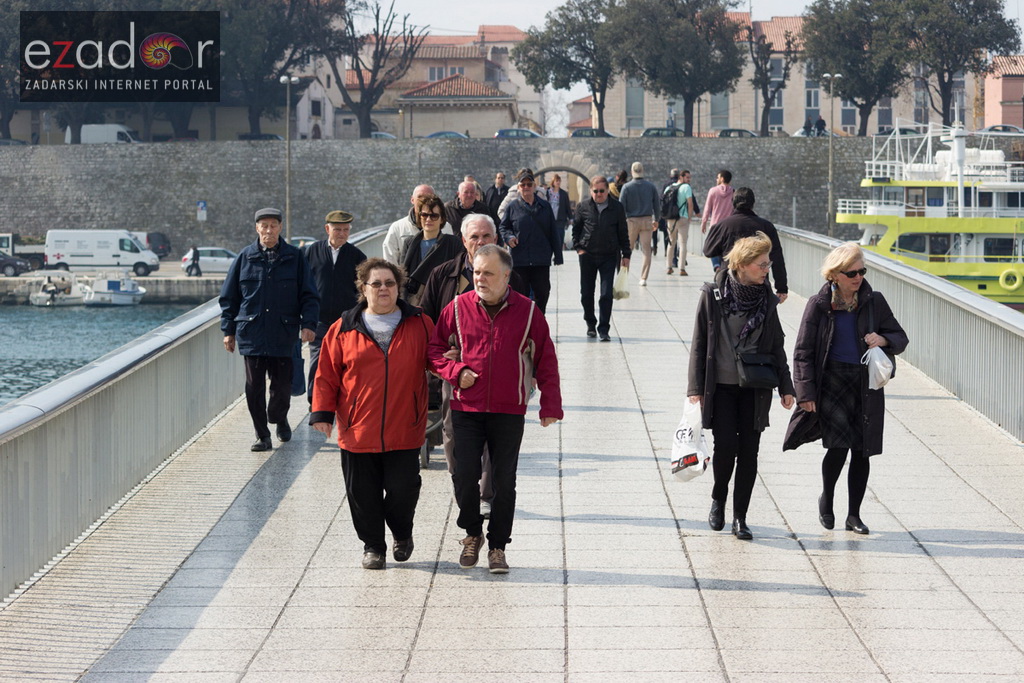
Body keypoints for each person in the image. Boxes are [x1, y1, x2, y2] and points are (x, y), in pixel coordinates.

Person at [428, 244, 563, 573]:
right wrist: (456, 372)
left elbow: (546, 358)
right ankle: (473, 533)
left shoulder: (528, 311)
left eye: (488, 273)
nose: (480, 278)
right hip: (466, 407)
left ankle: (499, 546)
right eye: (476, 272)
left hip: (509, 409)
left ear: (506, 276)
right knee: (464, 475)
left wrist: (550, 405)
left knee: (504, 480)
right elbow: (432, 351)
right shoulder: (457, 308)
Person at [310, 258, 435, 569]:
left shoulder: (420, 323)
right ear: (363, 289)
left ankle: (402, 534)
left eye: (390, 283)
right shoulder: (343, 328)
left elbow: (438, 359)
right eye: (376, 283)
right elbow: (326, 374)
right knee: (361, 493)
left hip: (405, 424)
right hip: (357, 428)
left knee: (402, 489)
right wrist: (322, 413)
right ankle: (373, 546)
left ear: (399, 288)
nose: (383, 289)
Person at [787, 243, 908, 535]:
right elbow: (802, 351)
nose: (858, 277)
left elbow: (900, 337)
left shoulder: (874, 301)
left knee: (862, 451)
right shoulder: (818, 304)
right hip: (832, 382)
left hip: (865, 384)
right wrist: (805, 394)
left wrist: (883, 339)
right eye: (851, 272)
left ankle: (854, 515)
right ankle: (827, 499)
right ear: (835, 275)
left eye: (862, 271)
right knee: (838, 447)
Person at [420, 213, 530, 518]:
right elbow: (426, 319)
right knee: (453, 434)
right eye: (474, 237)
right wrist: (443, 355)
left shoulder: (511, 276)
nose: (480, 242)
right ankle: (463, 486)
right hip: (456, 374)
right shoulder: (443, 274)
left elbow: (528, 322)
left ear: (495, 239)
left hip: (500, 374)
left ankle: (486, 492)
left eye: (486, 236)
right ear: (463, 241)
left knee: (494, 438)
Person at [687, 232, 795, 540]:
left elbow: (777, 345)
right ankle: (718, 498)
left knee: (750, 451)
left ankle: (740, 517)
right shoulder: (713, 294)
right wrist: (694, 387)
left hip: (755, 386)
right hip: (720, 386)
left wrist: (787, 387)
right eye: (762, 265)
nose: (766, 270)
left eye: (768, 264)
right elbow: (699, 345)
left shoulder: (767, 299)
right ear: (744, 264)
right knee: (726, 448)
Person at [220, 207, 320, 452]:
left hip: (283, 332)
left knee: (282, 385)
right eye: (263, 226)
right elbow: (229, 297)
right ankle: (262, 435)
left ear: (280, 227)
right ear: (257, 228)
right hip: (251, 333)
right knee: (254, 387)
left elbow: (309, 295)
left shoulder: (295, 257)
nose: (268, 230)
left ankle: (279, 416)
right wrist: (228, 331)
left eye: (273, 225)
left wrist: (308, 324)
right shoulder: (245, 257)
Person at [303, 210, 367, 403]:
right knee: (318, 358)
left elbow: (364, 289)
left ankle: (341, 398)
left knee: (345, 360)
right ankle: (315, 400)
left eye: (345, 230)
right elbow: (302, 284)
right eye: (337, 229)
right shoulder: (311, 251)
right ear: (327, 229)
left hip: (345, 319)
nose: (341, 233)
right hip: (318, 318)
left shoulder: (357, 256)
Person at [703, 187, 789, 304]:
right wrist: (781, 288)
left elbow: (708, 250)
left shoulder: (723, 225)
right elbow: (777, 257)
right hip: (759, 284)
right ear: (753, 203)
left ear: (733, 203)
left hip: (729, 283)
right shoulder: (766, 226)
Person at [572, 175, 630, 341]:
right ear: (591, 191)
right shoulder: (583, 207)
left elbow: (623, 232)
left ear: (607, 190)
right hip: (588, 255)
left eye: (602, 191)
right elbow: (576, 229)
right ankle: (590, 324)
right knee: (586, 293)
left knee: (606, 294)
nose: (598, 194)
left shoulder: (617, 208)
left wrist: (626, 254)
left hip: (609, 255)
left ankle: (604, 328)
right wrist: (579, 248)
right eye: (595, 191)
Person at [499, 170, 562, 313]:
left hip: (541, 259)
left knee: (543, 293)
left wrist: (558, 255)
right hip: (520, 259)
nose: (526, 187)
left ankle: (538, 321)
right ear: (519, 188)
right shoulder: (512, 207)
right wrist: (509, 237)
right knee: (521, 295)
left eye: (529, 184)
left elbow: (553, 231)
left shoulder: (545, 206)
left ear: (534, 187)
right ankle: (523, 324)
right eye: (523, 185)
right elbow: (503, 227)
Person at [401, 194, 464, 306]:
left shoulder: (453, 243)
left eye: (434, 216)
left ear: (442, 219)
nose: (428, 219)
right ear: (419, 217)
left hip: (442, 299)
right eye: (424, 215)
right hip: (413, 301)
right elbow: (402, 274)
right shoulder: (409, 243)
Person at [383, 184, 453, 264]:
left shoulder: (446, 227)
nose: (424, 200)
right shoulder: (397, 228)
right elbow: (390, 260)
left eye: (428, 197)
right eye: (420, 197)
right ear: (412, 200)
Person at [618, 161, 660, 286]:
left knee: (627, 249)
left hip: (631, 221)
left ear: (632, 172)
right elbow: (657, 205)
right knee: (646, 250)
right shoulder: (650, 186)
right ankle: (643, 278)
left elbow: (621, 207)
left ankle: (624, 276)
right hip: (647, 220)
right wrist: (656, 219)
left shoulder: (626, 187)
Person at [700, 170, 735, 270]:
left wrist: (704, 222)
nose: (717, 179)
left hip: (715, 225)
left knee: (713, 246)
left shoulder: (713, 191)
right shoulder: (733, 192)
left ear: (722, 178)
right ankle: (724, 268)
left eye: (718, 177)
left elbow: (707, 208)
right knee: (726, 248)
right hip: (729, 226)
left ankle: (716, 266)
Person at [665, 170, 697, 276]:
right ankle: (682, 269)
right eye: (687, 177)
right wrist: (689, 217)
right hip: (682, 218)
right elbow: (690, 203)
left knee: (671, 243)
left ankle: (669, 267)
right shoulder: (686, 187)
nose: (689, 180)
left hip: (670, 219)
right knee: (682, 244)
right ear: (681, 177)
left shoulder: (669, 187)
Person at [544, 173, 572, 251]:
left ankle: (558, 254)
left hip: (560, 219)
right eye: (556, 181)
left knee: (560, 237)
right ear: (553, 182)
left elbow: (567, 207)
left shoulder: (563, 194)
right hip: (549, 219)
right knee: (550, 237)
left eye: (559, 181)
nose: (558, 182)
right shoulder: (547, 192)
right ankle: (550, 252)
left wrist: (571, 218)